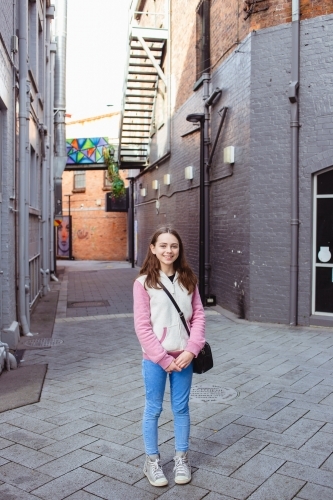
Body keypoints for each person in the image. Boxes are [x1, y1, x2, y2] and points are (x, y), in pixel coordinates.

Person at [133, 226, 206, 487]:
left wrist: (191, 350)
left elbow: (198, 316)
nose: (168, 250)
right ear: (153, 248)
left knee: (181, 409)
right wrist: (164, 359)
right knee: (153, 408)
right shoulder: (143, 283)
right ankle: (151, 461)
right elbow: (142, 326)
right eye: (163, 245)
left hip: (184, 357)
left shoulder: (189, 280)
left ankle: (181, 458)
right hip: (155, 359)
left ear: (179, 249)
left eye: (173, 246)